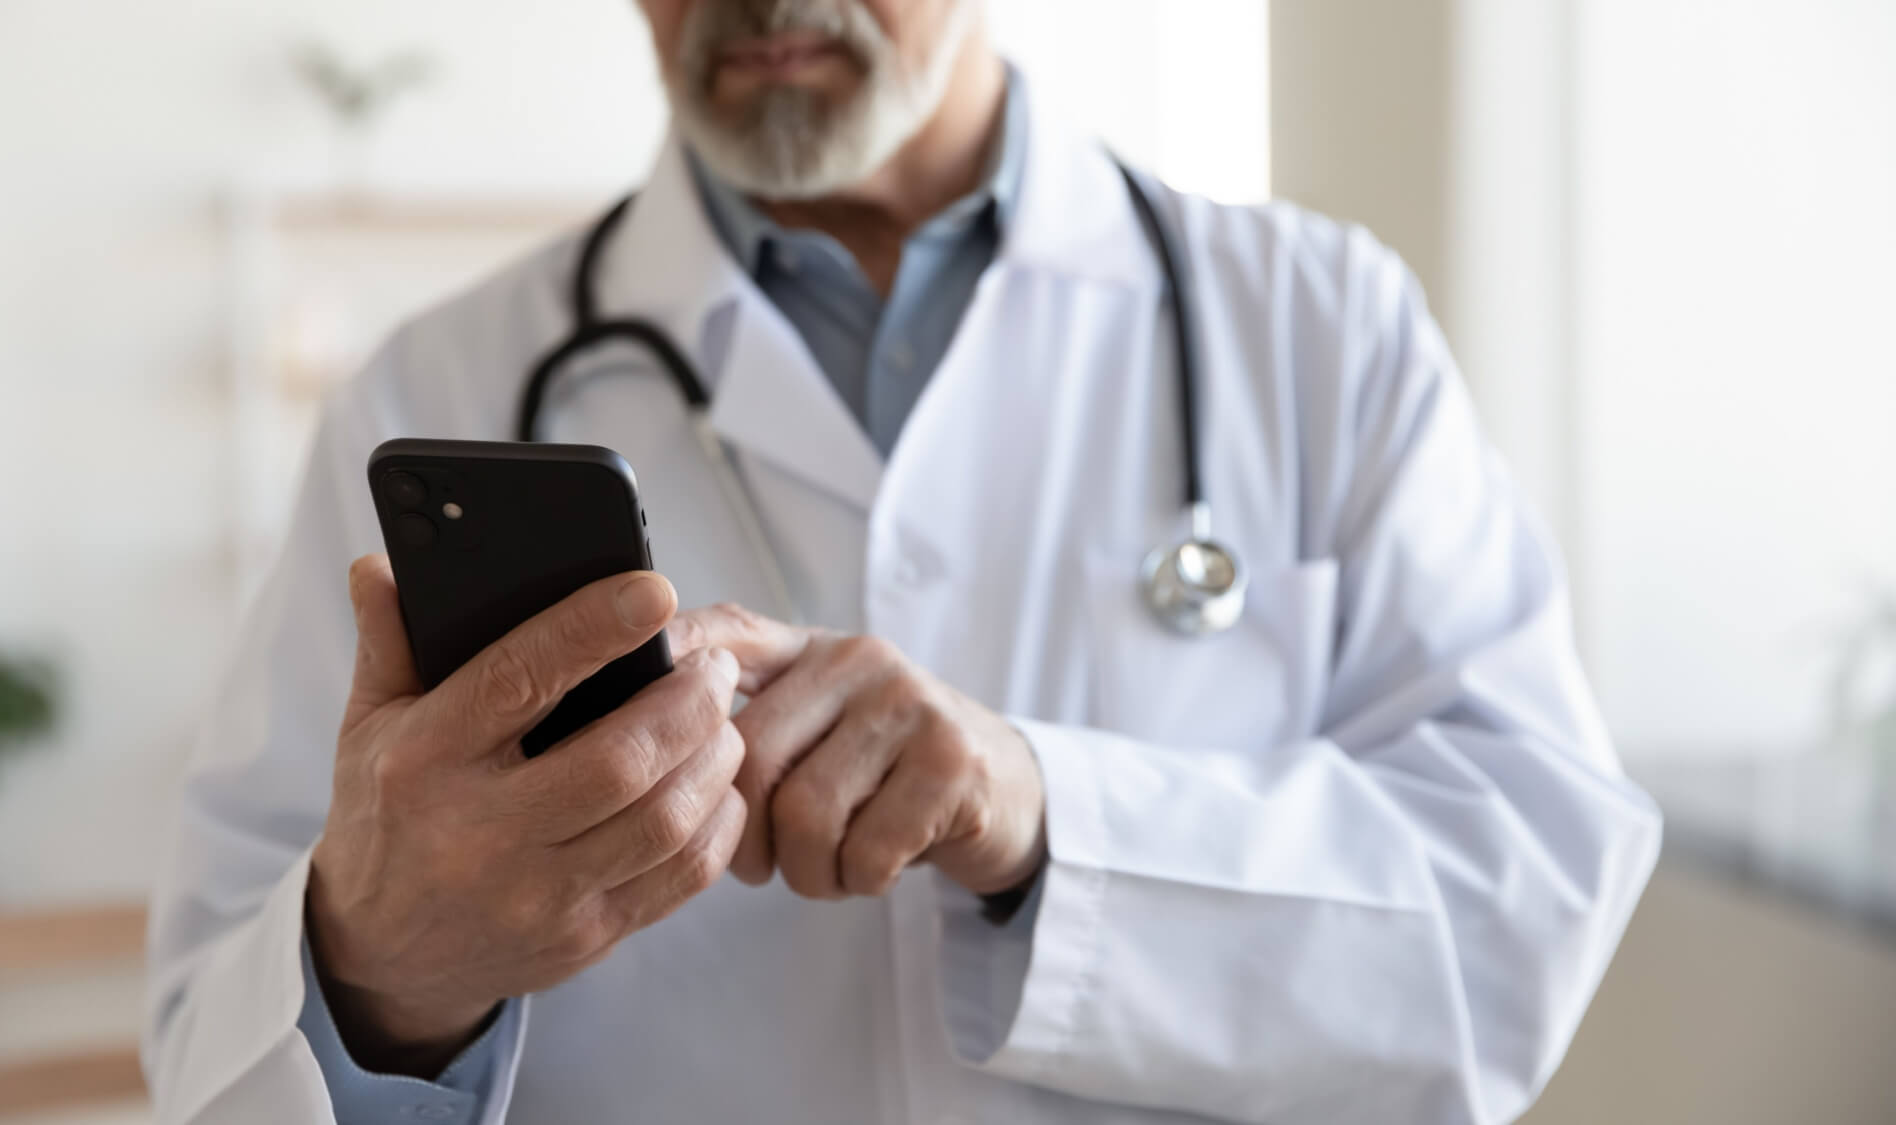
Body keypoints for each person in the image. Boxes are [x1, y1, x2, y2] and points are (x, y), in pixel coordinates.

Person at [144, 1, 1663, 1122]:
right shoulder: (437, 391)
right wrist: (385, 966)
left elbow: (1518, 916)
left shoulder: (1319, 330)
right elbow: (206, 1033)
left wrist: (1049, 815)